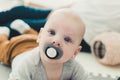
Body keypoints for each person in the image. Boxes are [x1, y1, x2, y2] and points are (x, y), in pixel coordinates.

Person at [8, 8, 88, 80]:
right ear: (40, 35)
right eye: (52, 32)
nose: (56, 41)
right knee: (5, 48)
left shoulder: (74, 68)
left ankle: (26, 30)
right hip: (18, 50)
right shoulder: (28, 63)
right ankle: (6, 33)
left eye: (67, 39)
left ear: (75, 52)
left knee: (31, 40)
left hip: (34, 45)